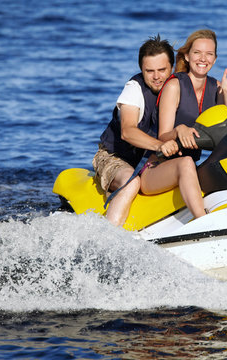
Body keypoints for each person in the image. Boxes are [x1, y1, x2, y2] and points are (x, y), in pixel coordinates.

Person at [139, 30, 227, 220]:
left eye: (209, 54)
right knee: (186, 163)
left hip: (189, 168)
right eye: (197, 52)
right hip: (155, 169)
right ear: (187, 57)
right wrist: (178, 130)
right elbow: (162, 137)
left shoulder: (216, 88)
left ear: (215, 59)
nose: (203, 58)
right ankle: (202, 221)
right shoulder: (174, 86)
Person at [93, 35, 177, 226]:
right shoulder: (134, 89)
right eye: (149, 71)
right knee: (131, 182)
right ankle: (109, 238)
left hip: (152, 161)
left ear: (172, 67)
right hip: (114, 157)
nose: (156, 77)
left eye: (162, 70)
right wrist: (160, 145)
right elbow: (128, 131)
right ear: (142, 70)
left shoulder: (178, 85)